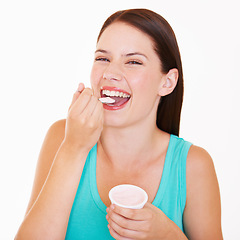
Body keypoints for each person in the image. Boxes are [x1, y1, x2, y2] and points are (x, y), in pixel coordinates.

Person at [15, 8, 223, 240]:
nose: (110, 73)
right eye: (103, 58)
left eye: (133, 61)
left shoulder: (193, 166)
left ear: (167, 82)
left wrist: (167, 234)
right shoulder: (62, 137)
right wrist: (74, 148)